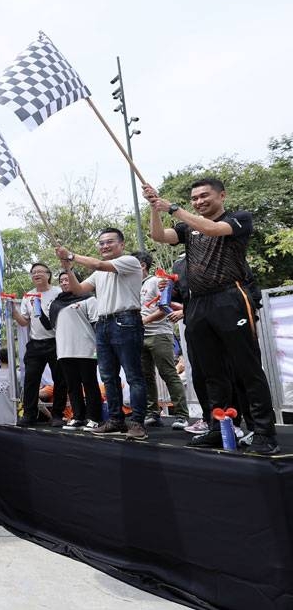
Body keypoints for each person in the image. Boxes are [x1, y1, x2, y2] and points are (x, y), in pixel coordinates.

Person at [144, 178, 279, 454]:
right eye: (194, 198)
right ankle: (219, 427)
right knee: (210, 373)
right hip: (197, 304)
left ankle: (263, 431)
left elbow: (214, 230)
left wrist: (174, 208)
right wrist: (155, 208)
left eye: (204, 196)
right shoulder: (187, 228)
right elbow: (159, 237)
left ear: (222, 196)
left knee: (247, 367)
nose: (199, 201)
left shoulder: (238, 219)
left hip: (230, 297)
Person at [57, 228, 149, 440]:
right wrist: (68, 268)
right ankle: (116, 420)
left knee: (134, 375)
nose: (105, 246)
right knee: (108, 376)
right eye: (101, 243)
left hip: (126, 320)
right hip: (103, 323)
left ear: (122, 244)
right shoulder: (98, 273)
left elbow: (99, 264)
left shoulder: (129, 261)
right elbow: (79, 290)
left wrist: (71, 255)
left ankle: (137, 422)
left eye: (109, 242)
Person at [134, 252, 190, 430]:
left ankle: (181, 415)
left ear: (142, 265)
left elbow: (165, 306)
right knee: (146, 376)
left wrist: (144, 321)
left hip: (159, 334)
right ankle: (152, 413)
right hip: (139, 336)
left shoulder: (156, 281)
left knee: (168, 373)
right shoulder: (132, 285)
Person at [43, 271, 102, 429]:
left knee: (90, 385)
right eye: (61, 280)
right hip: (64, 351)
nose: (63, 282)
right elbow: (49, 326)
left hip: (87, 349)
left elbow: (97, 323)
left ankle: (94, 418)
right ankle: (78, 417)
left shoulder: (89, 299)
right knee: (72, 386)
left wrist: (100, 347)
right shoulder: (56, 304)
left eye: (67, 279)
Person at [9, 263, 66, 426]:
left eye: (40, 271)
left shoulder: (59, 292)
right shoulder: (28, 296)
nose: (36, 274)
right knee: (30, 380)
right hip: (35, 343)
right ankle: (29, 414)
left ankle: (57, 415)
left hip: (56, 341)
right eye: (33, 272)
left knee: (60, 379)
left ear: (49, 274)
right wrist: (13, 310)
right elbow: (24, 322)